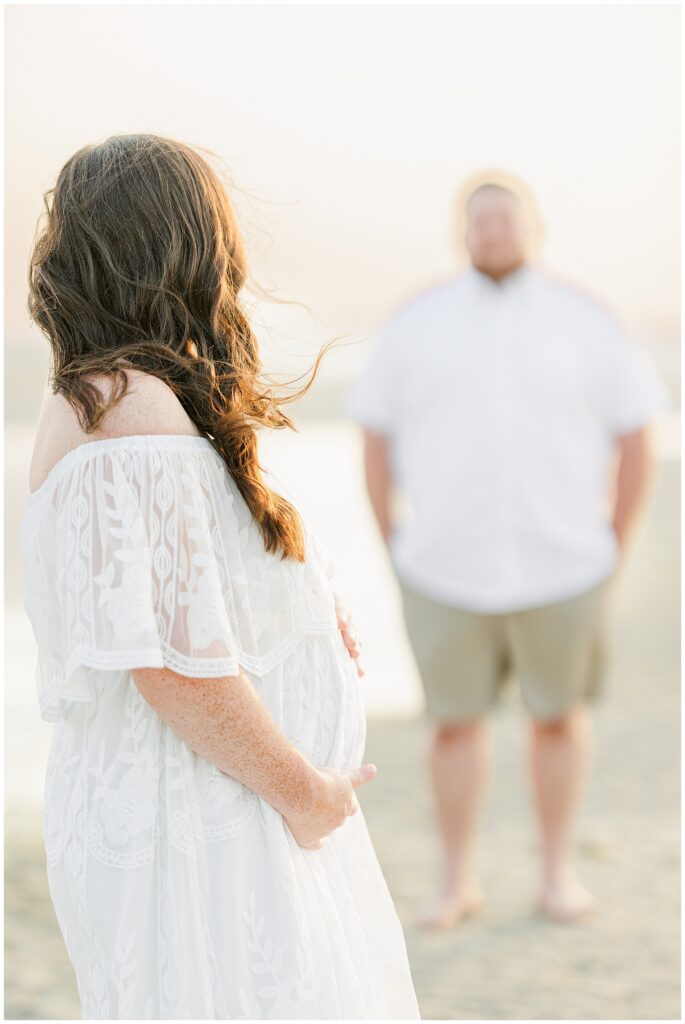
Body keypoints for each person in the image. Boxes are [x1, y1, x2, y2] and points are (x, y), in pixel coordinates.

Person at [19, 133, 421, 1019]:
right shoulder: (129, 410)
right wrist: (302, 790)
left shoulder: (103, 399)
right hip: (194, 815)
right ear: (182, 243)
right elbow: (167, 662)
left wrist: (296, 601)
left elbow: (169, 610)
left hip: (188, 803)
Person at [345, 170, 671, 931]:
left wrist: (612, 539)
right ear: (461, 231)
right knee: (452, 722)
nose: (490, 230)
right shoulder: (416, 322)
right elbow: (373, 430)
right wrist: (392, 538)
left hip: (564, 561)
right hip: (442, 562)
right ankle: (455, 881)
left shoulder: (584, 319)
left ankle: (556, 876)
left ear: (533, 226)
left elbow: (636, 430)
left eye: (503, 217)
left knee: (556, 716)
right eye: (476, 219)